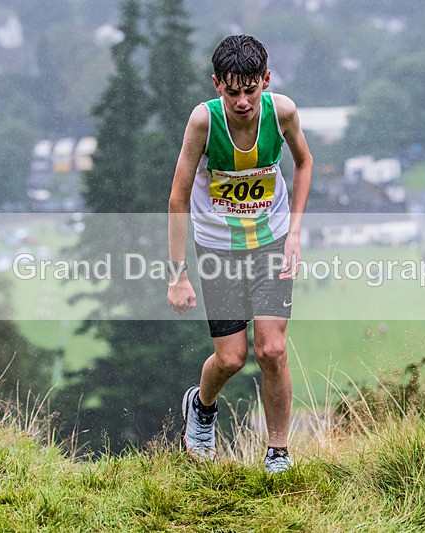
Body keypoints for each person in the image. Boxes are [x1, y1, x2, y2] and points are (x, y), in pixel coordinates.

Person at [167, 35, 312, 474]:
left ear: (265, 81)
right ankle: (203, 406)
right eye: (233, 92)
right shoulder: (203, 123)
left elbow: (304, 163)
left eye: (251, 89)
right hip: (219, 248)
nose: (243, 101)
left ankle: (278, 452)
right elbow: (177, 198)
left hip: (271, 241)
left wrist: (294, 234)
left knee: (271, 351)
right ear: (217, 86)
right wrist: (178, 275)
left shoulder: (282, 111)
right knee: (232, 358)